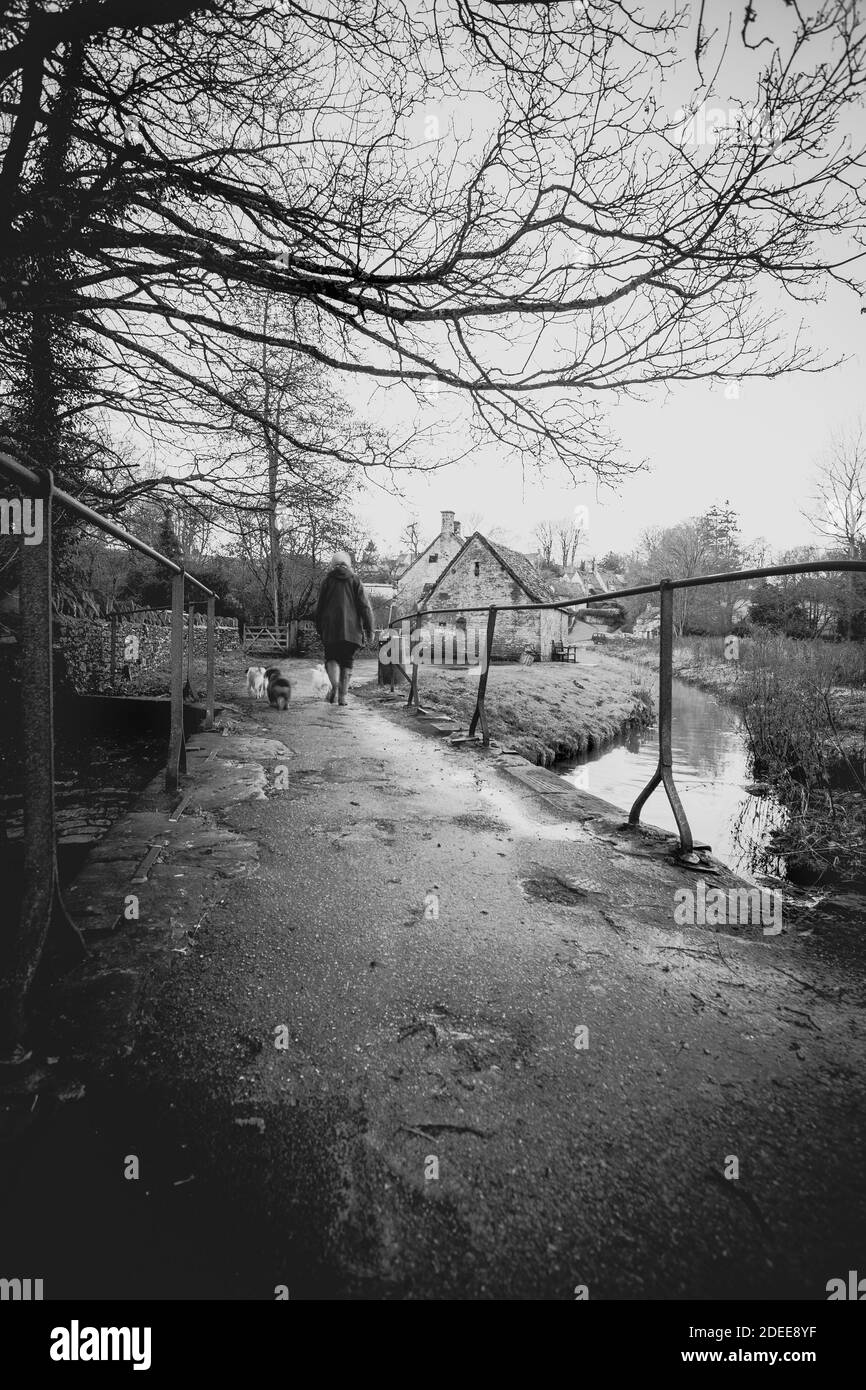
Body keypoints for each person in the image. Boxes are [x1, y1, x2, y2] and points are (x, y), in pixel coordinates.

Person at [314, 551, 375, 706]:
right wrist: (370, 630)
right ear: (349, 565)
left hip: (331, 630)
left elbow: (320, 607)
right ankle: (342, 697)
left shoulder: (327, 581)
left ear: (333, 565)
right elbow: (365, 607)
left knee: (332, 659)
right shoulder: (355, 580)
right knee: (347, 662)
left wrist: (320, 627)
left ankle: (334, 686)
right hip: (352, 632)